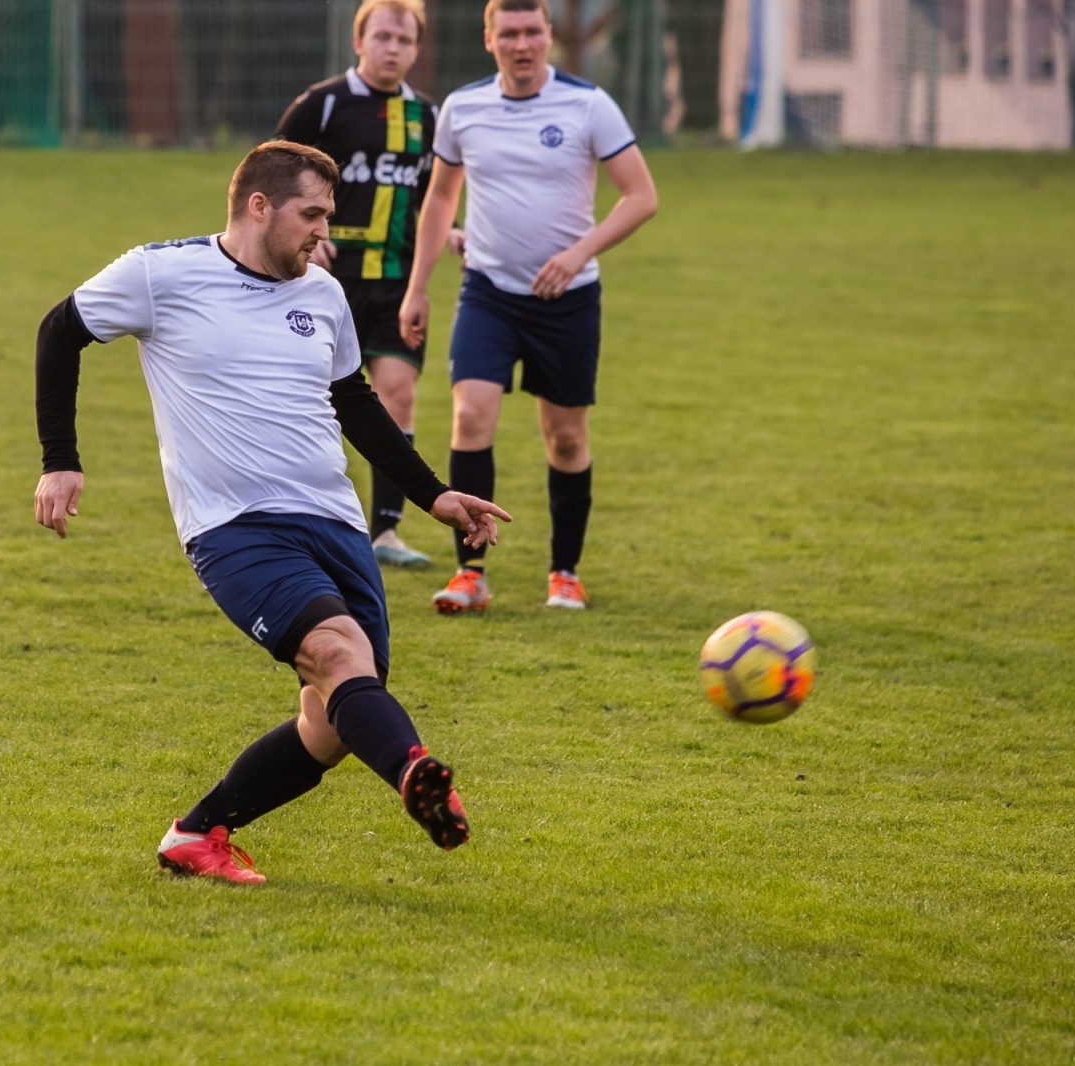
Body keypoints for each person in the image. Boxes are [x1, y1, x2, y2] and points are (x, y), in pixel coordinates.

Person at [32, 141, 511, 885]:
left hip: (335, 522)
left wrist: (434, 495)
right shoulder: (161, 274)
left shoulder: (322, 292)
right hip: (235, 527)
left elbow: (354, 401)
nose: (325, 233)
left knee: (333, 720)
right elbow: (59, 331)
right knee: (338, 658)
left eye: (329, 216)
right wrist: (60, 458)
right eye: (312, 215)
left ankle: (197, 834)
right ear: (259, 206)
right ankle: (416, 771)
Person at [399, 0, 657, 614]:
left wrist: (577, 254)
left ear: (548, 36)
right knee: (470, 417)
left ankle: (565, 573)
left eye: (532, 32)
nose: (522, 44)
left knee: (565, 438)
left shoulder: (588, 104)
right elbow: (440, 201)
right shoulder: (464, 108)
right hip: (487, 292)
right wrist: (417, 287)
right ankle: (470, 573)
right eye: (509, 33)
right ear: (489, 39)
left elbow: (641, 196)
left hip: (568, 301)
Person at [274, 0, 444, 569]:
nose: (393, 48)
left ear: (416, 49)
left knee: (398, 392)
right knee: (305, 402)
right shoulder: (322, 104)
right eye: (383, 36)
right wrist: (301, 233)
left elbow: (433, 196)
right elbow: (270, 175)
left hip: (397, 281)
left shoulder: (428, 116)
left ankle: (386, 531)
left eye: (405, 39)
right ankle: (284, 524)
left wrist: (451, 230)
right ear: (359, 41)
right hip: (323, 283)